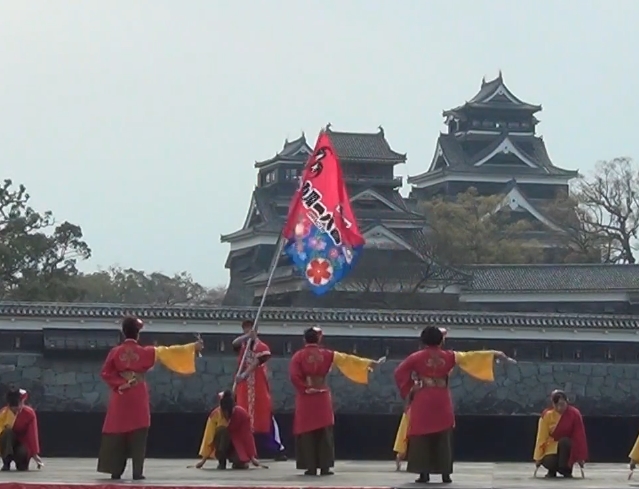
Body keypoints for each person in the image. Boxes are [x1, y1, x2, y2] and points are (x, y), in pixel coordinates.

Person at [394, 325, 515, 484]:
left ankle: (424, 474)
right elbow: (471, 357)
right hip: (442, 398)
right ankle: (445, 474)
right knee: (444, 435)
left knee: (421, 435)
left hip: (423, 398)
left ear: (423, 339)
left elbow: (399, 372)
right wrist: (495, 354)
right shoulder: (450, 356)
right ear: (440, 340)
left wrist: (411, 388)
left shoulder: (415, 357)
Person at [97, 316, 203, 481]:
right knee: (139, 431)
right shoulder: (147, 351)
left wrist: (120, 383)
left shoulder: (115, 352)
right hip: (138, 393)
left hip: (121, 395)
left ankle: (115, 470)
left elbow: (105, 373)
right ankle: (137, 471)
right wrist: (192, 347)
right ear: (138, 333)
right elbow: (170, 351)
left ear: (123, 333)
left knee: (117, 430)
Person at [289, 326, 384, 476]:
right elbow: (349, 360)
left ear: (304, 339)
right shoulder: (328, 354)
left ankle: (310, 466)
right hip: (322, 394)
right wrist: (369, 363)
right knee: (324, 430)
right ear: (319, 339)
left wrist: (305, 388)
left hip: (306, 396)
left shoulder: (298, 356)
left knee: (306, 430)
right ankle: (325, 466)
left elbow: (294, 376)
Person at [233, 320, 286, 461]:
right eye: (245, 329)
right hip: (244, 388)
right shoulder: (243, 347)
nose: (247, 331)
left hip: (258, 387)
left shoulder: (261, 346)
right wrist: (246, 337)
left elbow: (257, 362)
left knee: (264, 418)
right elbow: (234, 344)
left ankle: (277, 449)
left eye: (249, 329)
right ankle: (246, 451)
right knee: (244, 417)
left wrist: (244, 374)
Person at [195, 391, 264, 470]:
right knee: (222, 430)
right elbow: (208, 437)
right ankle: (222, 461)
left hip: (236, 445)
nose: (227, 415)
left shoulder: (242, 414)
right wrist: (203, 461)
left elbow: (247, 436)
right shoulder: (215, 415)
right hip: (221, 445)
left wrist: (252, 458)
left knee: (239, 462)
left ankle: (238, 462)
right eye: (224, 412)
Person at [533, 390, 588, 478]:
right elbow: (541, 437)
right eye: (556, 405)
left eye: (562, 404)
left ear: (567, 402)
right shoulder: (547, 415)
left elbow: (579, 436)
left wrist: (580, 457)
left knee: (565, 442)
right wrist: (538, 457)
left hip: (568, 447)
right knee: (550, 461)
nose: (559, 408)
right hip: (550, 447)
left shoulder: (575, 414)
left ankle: (565, 469)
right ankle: (552, 470)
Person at [0, 387, 42, 471]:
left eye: (19, 406)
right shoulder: (3, 414)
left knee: (22, 464)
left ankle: (21, 462)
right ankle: (6, 461)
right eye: (13, 409)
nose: (17, 410)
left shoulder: (29, 414)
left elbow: (32, 434)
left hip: (23, 444)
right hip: (8, 444)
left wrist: (34, 454)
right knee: (6, 432)